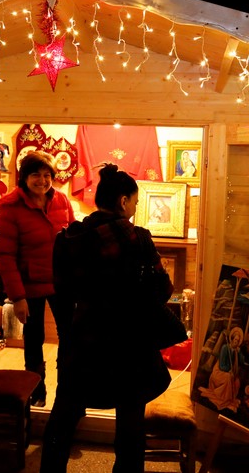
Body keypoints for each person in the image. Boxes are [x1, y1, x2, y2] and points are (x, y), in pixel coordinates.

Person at [39, 163, 173, 473]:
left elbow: (59, 294)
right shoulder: (137, 238)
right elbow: (162, 290)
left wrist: (68, 333)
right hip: (130, 344)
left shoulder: (68, 238)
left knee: (63, 418)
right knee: (130, 423)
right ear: (124, 201)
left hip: (82, 340)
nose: (135, 209)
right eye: (136, 203)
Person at [0, 151, 76, 407]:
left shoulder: (61, 200)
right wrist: (17, 297)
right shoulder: (10, 208)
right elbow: (5, 255)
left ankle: (68, 392)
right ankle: (36, 392)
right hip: (29, 286)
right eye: (35, 175)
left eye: (47, 175)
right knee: (33, 339)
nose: (42, 180)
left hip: (62, 282)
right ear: (24, 178)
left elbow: (73, 237)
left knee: (71, 337)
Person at [198, 327, 248, 412]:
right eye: (235, 340)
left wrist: (239, 352)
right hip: (219, 372)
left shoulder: (236, 351)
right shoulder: (225, 348)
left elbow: (242, 361)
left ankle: (230, 399)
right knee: (228, 377)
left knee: (237, 382)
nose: (236, 342)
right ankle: (225, 400)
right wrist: (229, 371)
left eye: (238, 341)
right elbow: (221, 365)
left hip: (229, 373)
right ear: (232, 339)